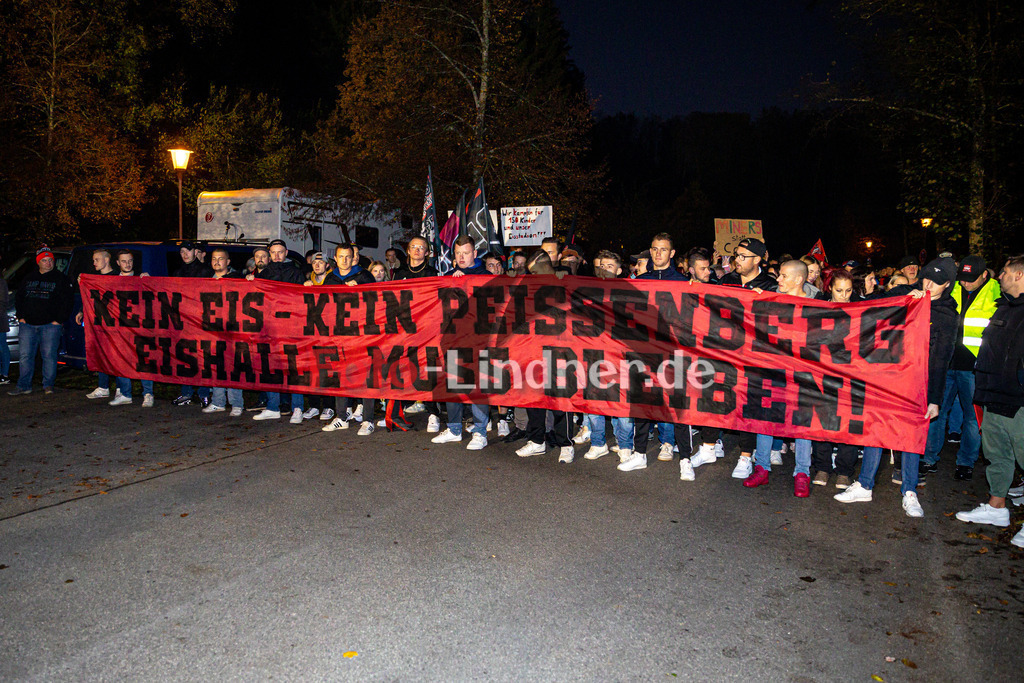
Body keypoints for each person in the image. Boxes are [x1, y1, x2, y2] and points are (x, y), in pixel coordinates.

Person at [954, 255, 1024, 547]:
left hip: (1018, 400)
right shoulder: (1005, 306)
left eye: (1005, 271)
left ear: (1020, 275)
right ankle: (997, 508)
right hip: (994, 394)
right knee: (997, 454)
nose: (1000, 276)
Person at [699, 238, 777, 479]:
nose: (737, 261)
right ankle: (708, 446)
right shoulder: (728, 280)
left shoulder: (771, 286)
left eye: (743, 256)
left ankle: (746, 456)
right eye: (736, 255)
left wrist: (761, 302)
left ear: (758, 260)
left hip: (754, 356)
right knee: (714, 394)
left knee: (748, 403)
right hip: (725, 350)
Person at [919, 255, 1001, 481]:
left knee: (972, 418)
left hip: (974, 367)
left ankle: (966, 462)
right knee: (936, 411)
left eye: (971, 279)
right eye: (962, 278)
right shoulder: (952, 287)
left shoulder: (997, 294)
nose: (965, 283)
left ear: (985, 275)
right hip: (946, 364)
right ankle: (929, 458)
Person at [741, 260, 814, 497]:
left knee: (802, 424)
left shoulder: (815, 305)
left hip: (801, 373)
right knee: (765, 417)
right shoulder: (770, 299)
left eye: (783, 276)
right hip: (771, 370)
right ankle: (761, 467)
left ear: (798, 280)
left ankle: (802, 472)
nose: (778, 280)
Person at [618, 233, 685, 475]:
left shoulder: (682, 282)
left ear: (672, 253)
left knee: (667, 398)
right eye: (655, 249)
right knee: (641, 402)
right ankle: (640, 452)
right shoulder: (640, 281)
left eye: (663, 249)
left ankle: (668, 443)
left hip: (669, 350)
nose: (658, 254)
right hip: (642, 350)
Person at [514, 250, 574, 462]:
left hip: (560, 351)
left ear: (546, 265)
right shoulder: (530, 287)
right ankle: (537, 440)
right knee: (533, 398)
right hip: (534, 350)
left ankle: (566, 443)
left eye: (535, 271)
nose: (533, 275)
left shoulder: (567, 281)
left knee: (560, 400)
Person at [432, 236, 491, 450]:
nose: (461, 257)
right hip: (453, 339)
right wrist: (453, 282)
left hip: (479, 340)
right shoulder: (448, 276)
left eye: (466, 253)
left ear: (475, 253)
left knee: (477, 386)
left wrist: (465, 281)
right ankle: (455, 429)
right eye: (458, 253)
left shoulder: (486, 276)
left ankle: (480, 432)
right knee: (453, 385)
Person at [580, 251, 635, 463]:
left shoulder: (629, 293)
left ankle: (624, 445)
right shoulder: (587, 291)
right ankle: (597, 442)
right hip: (593, 354)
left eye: (610, 266)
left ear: (619, 270)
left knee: (622, 404)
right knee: (594, 403)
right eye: (601, 265)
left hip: (620, 357)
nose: (604, 269)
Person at [320, 244, 376, 432]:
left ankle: (368, 420)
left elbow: (377, 301)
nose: (344, 260)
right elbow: (323, 304)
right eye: (341, 257)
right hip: (339, 334)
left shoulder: (364, 277)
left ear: (354, 258)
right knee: (341, 375)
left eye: (348, 257)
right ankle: (342, 416)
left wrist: (359, 290)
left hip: (362, 334)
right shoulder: (331, 278)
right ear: (335, 259)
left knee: (365, 375)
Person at [250, 239, 307, 423]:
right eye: (273, 252)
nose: (276, 256)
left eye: (280, 252)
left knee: (293, 369)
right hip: (269, 328)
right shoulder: (263, 274)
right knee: (270, 367)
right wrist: (249, 282)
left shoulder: (295, 272)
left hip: (291, 328)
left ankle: (297, 408)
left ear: (286, 252)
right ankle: (272, 406)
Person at [9, 247, 74, 396]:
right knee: (25, 356)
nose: (48, 263)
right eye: (44, 260)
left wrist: (58, 320)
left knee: (49, 356)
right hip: (28, 325)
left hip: (50, 326)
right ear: (38, 262)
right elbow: (19, 298)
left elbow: (67, 301)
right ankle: (24, 385)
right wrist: (21, 317)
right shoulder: (29, 278)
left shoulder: (61, 279)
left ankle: (48, 385)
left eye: (50, 260)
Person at [201, 248, 246, 416]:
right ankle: (218, 401)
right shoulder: (205, 282)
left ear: (228, 262)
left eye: (221, 259)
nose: (217, 262)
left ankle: (236, 403)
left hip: (233, 330)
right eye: (214, 258)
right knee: (216, 365)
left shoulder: (236, 280)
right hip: (212, 330)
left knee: (233, 366)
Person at [171, 241, 214, 407]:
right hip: (184, 322)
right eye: (181, 251)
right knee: (185, 357)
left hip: (201, 321)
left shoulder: (206, 271)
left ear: (195, 252)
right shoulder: (178, 272)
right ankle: (186, 393)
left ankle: (204, 394)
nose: (184, 254)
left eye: (187, 250)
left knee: (202, 358)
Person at [80, 249, 120, 400]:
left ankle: (121, 388)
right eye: (94, 259)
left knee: (116, 356)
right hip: (99, 323)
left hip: (114, 324)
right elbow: (90, 297)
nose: (94, 263)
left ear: (106, 260)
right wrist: (81, 311)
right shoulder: (94, 278)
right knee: (101, 355)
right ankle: (103, 387)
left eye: (97, 259)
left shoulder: (117, 277)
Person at [0, 274, 9, 385]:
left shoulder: (1, 283)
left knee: (2, 347)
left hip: (0, 321)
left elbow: (3, 302)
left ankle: (4, 374)